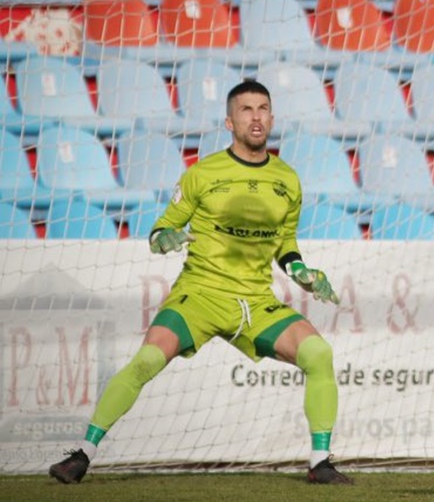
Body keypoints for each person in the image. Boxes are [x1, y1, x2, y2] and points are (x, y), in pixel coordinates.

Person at [49, 81, 350, 485]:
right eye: (246, 110)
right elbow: (160, 232)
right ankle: (82, 455)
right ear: (230, 121)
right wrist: (166, 238)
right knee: (146, 362)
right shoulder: (203, 173)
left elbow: (286, 244)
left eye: (263, 108)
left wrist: (302, 273)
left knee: (318, 353)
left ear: (272, 118)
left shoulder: (288, 180)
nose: (256, 117)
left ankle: (319, 463)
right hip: (200, 296)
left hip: (255, 302)